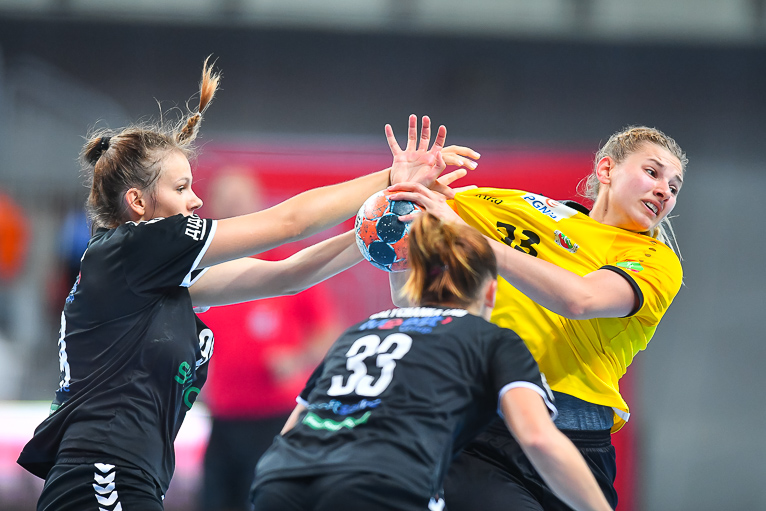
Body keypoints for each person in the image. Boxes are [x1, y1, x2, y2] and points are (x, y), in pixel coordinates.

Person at [15, 57, 472, 511]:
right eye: (181, 188)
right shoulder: (134, 249)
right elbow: (290, 222)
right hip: (103, 476)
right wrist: (390, 179)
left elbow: (288, 275)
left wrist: (388, 222)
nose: (196, 200)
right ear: (137, 201)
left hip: (120, 478)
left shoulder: (146, 277)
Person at [387, 125, 686, 510]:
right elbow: (409, 294)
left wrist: (471, 239)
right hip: (486, 425)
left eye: (674, 187)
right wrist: (401, 196)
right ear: (606, 169)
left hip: (579, 440)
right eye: (653, 172)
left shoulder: (657, 260)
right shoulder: (506, 206)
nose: (664, 191)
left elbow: (580, 300)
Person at [249, 212, 613, 511]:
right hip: (380, 485)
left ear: (415, 285)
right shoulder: (489, 338)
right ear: (491, 291)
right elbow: (538, 438)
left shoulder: (360, 331)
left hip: (279, 480)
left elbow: (294, 427)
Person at [198, 170, 343, 511]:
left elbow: (329, 333)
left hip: (275, 417)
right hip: (223, 418)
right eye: (226, 202)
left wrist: (296, 359)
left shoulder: (287, 265)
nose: (234, 209)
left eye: (240, 201)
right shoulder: (204, 270)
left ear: (257, 205)